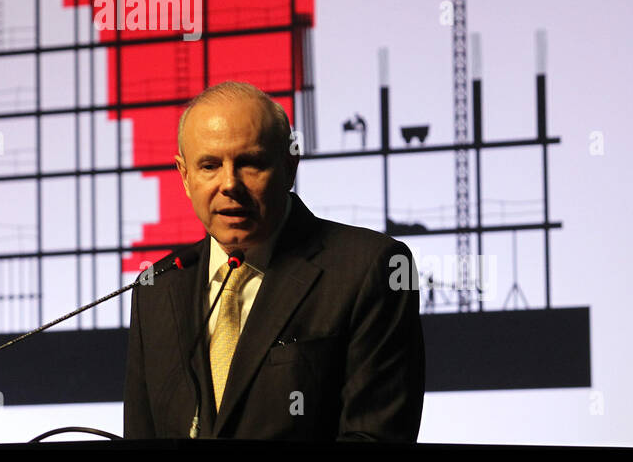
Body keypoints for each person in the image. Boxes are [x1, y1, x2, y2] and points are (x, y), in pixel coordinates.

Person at [123, 81, 425, 441]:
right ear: (185, 176)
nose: (229, 184)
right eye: (209, 166)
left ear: (289, 167)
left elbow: (375, 437)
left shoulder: (370, 268)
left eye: (250, 163)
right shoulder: (158, 287)